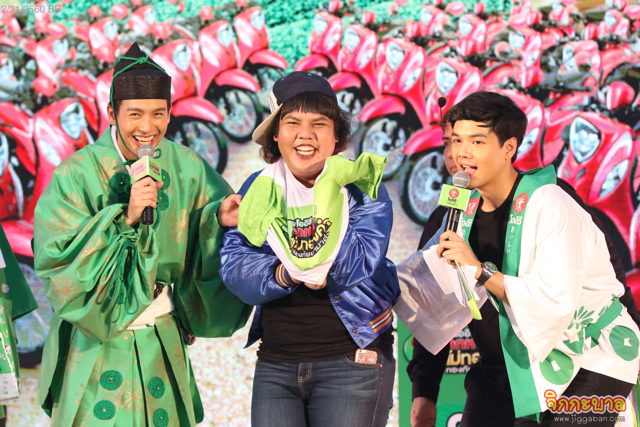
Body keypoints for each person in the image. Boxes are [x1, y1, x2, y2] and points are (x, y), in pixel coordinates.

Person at [33, 43, 252, 426]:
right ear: (111, 113)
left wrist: (218, 219)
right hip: (95, 341)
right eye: (134, 114)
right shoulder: (75, 174)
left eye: (158, 114)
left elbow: (203, 232)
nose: (147, 128)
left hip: (160, 334)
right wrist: (126, 217)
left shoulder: (187, 166)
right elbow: (57, 259)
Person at [396, 91, 640, 426]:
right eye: (455, 141)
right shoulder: (457, 213)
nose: (461, 153)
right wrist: (424, 389)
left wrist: (479, 270)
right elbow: (432, 300)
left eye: (477, 141)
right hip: (510, 365)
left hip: (588, 357)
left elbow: (554, 302)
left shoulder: (551, 202)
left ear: (509, 148)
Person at [219, 72, 399, 427]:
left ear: (336, 136)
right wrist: (283, 273)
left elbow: (357, 263)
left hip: (352, 360)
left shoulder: (362, 185)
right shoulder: (259, 186)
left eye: (319, 124)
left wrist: (304, 258)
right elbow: (236, 266)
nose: (306, 134)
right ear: (275, 134)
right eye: (292, 123)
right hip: (276, 364)